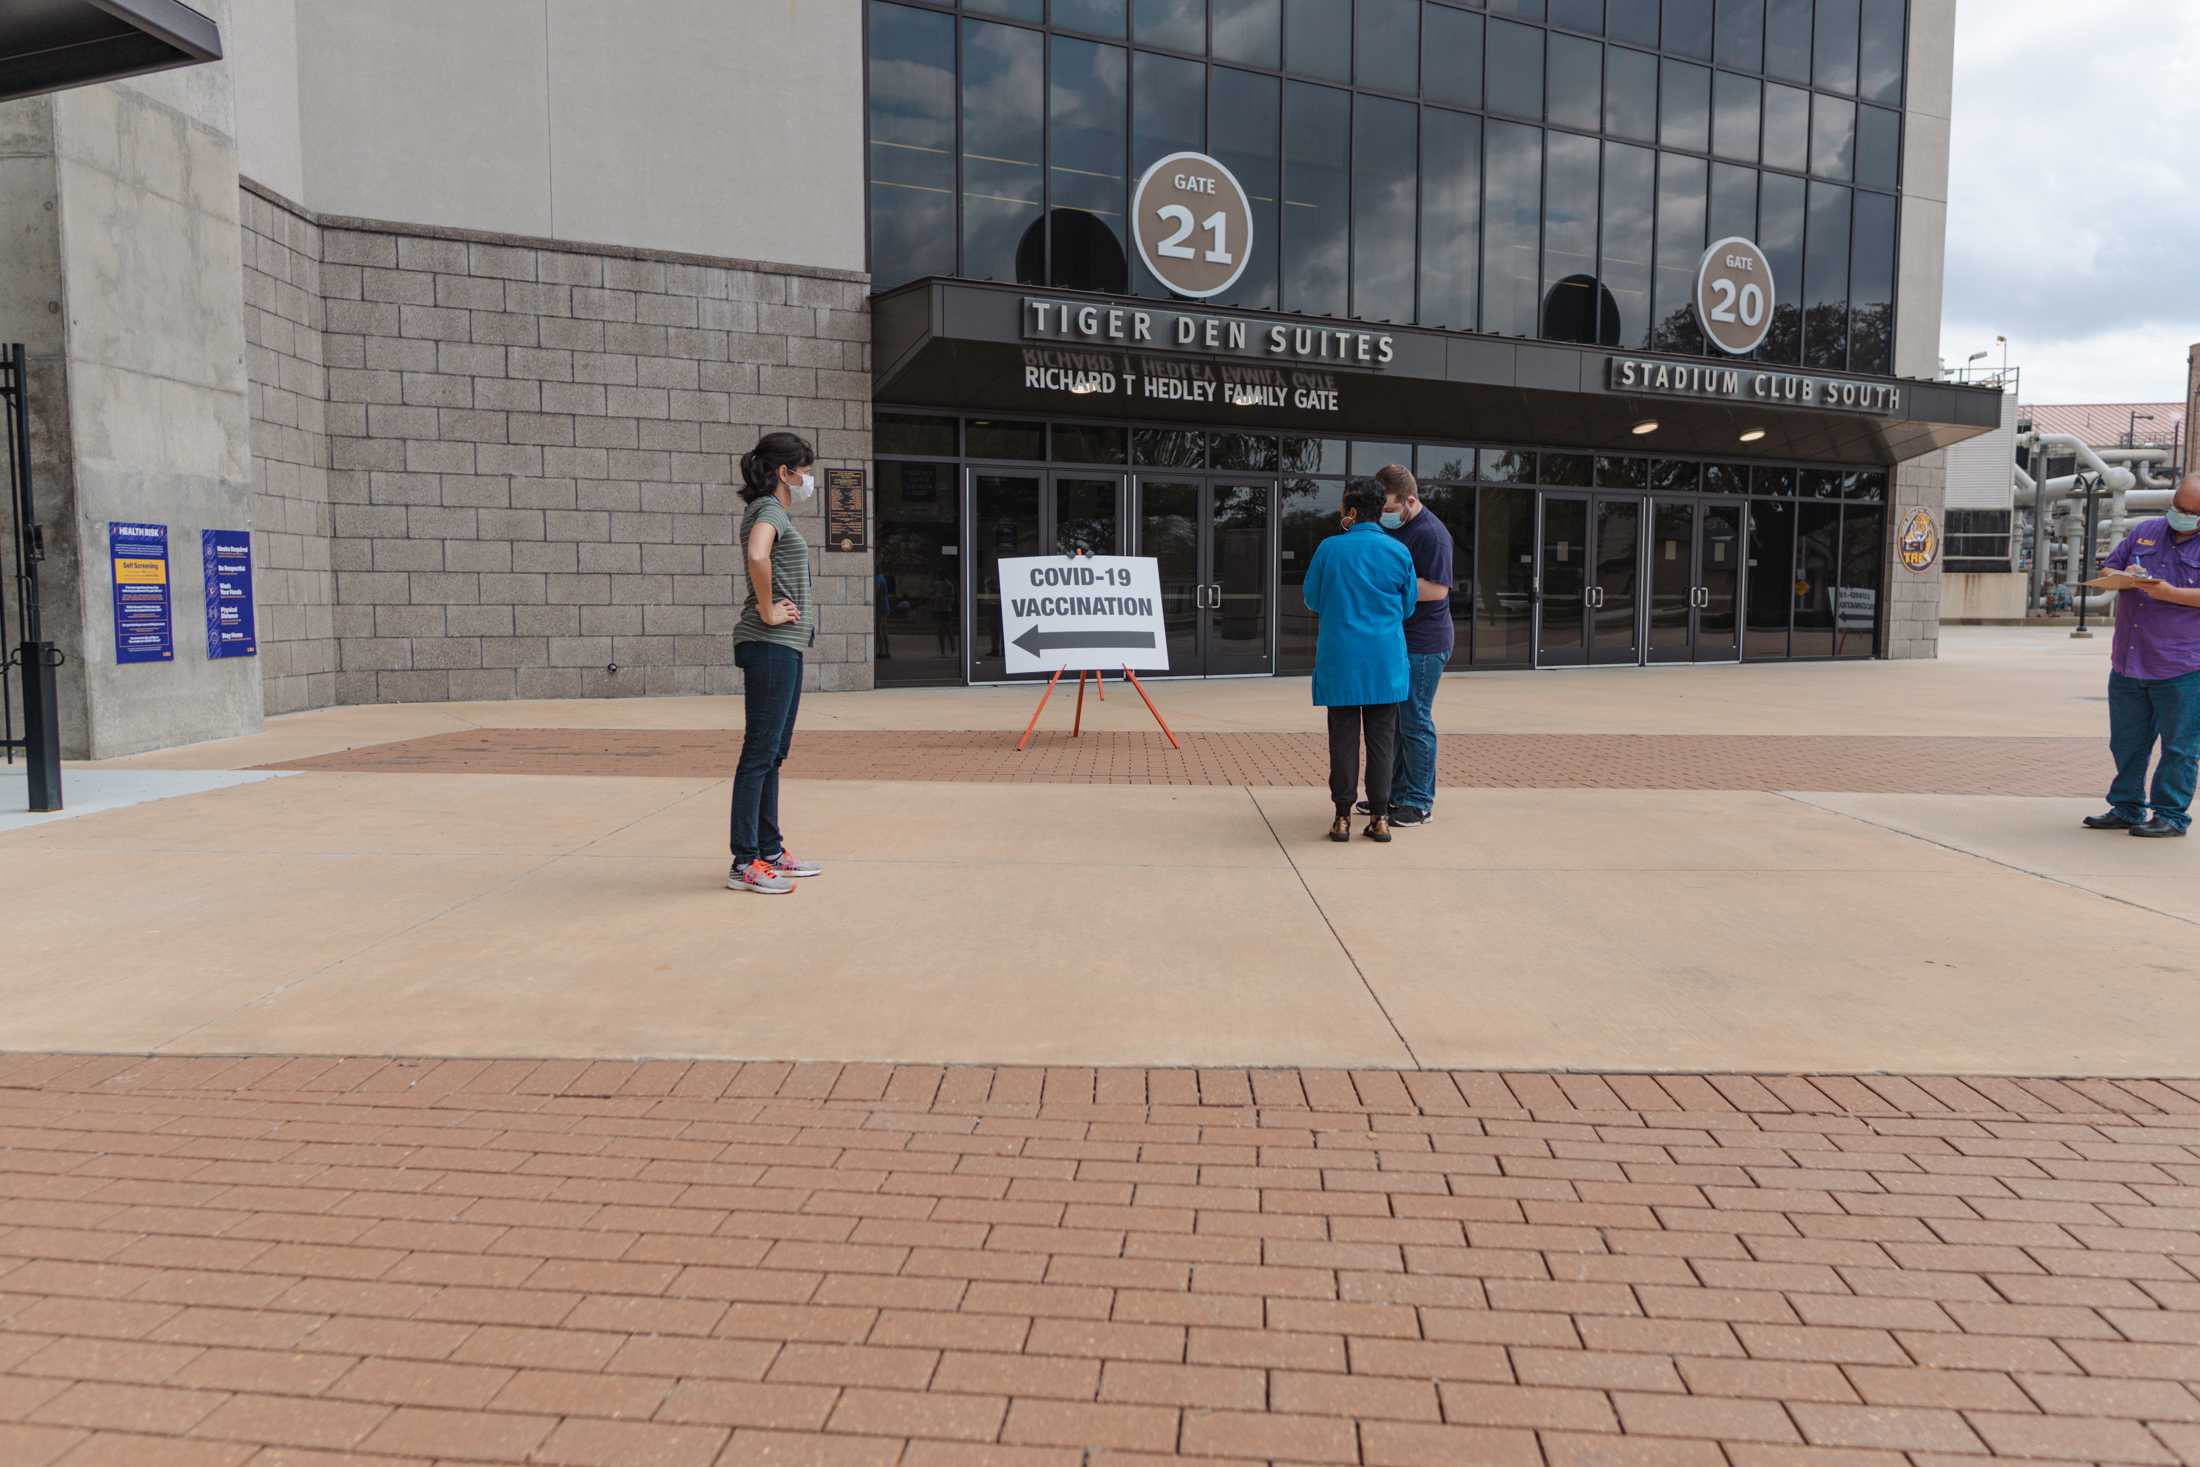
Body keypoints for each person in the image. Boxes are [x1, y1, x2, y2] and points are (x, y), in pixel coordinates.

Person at [727, 432, 826, 893]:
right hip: (768, 643)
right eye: (804, 470)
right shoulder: (769, 510)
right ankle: (745, 861)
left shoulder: (774, 511)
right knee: (759, 754)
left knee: (772, 754)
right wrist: (768, 609)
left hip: (784, 645)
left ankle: (769, 850)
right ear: (784, 473)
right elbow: (757, 554)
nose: (808, 479)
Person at [2084, 473, 2200, 838]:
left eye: (2189, 512)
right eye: (2176, 506)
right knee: (2127, 741)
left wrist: (2169, 593)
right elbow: (2108, 566)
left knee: (2180, 746)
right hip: (2129, 661)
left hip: (2182, 666)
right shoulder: (2146, 531)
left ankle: (2170, 814)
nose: (2179, 514)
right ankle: (2127, 806)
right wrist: (2124, 575)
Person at [1302, 483, 1418, 843]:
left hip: (1342, 658)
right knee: (1384, 740)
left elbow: (1311, 599)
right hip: (1385, 660)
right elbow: (1409, 606)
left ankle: (1341, 816)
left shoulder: (1329, 548)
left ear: (1349, 511)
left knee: (1344, 738)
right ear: (1381, 510)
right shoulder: (1398, 551)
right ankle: (1380, 817)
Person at [1366, 463, 1455, 828]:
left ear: (1410, 501)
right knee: (1399, 720)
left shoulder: (1431, 535)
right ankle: (1391, 795)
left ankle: (1419, 802)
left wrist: (1388, 585)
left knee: (1415, 721)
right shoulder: (1397, 528)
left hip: (1425, 642)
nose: (1384, 516)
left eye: (1388, 509)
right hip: (1400, 640)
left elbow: (1436, 589)